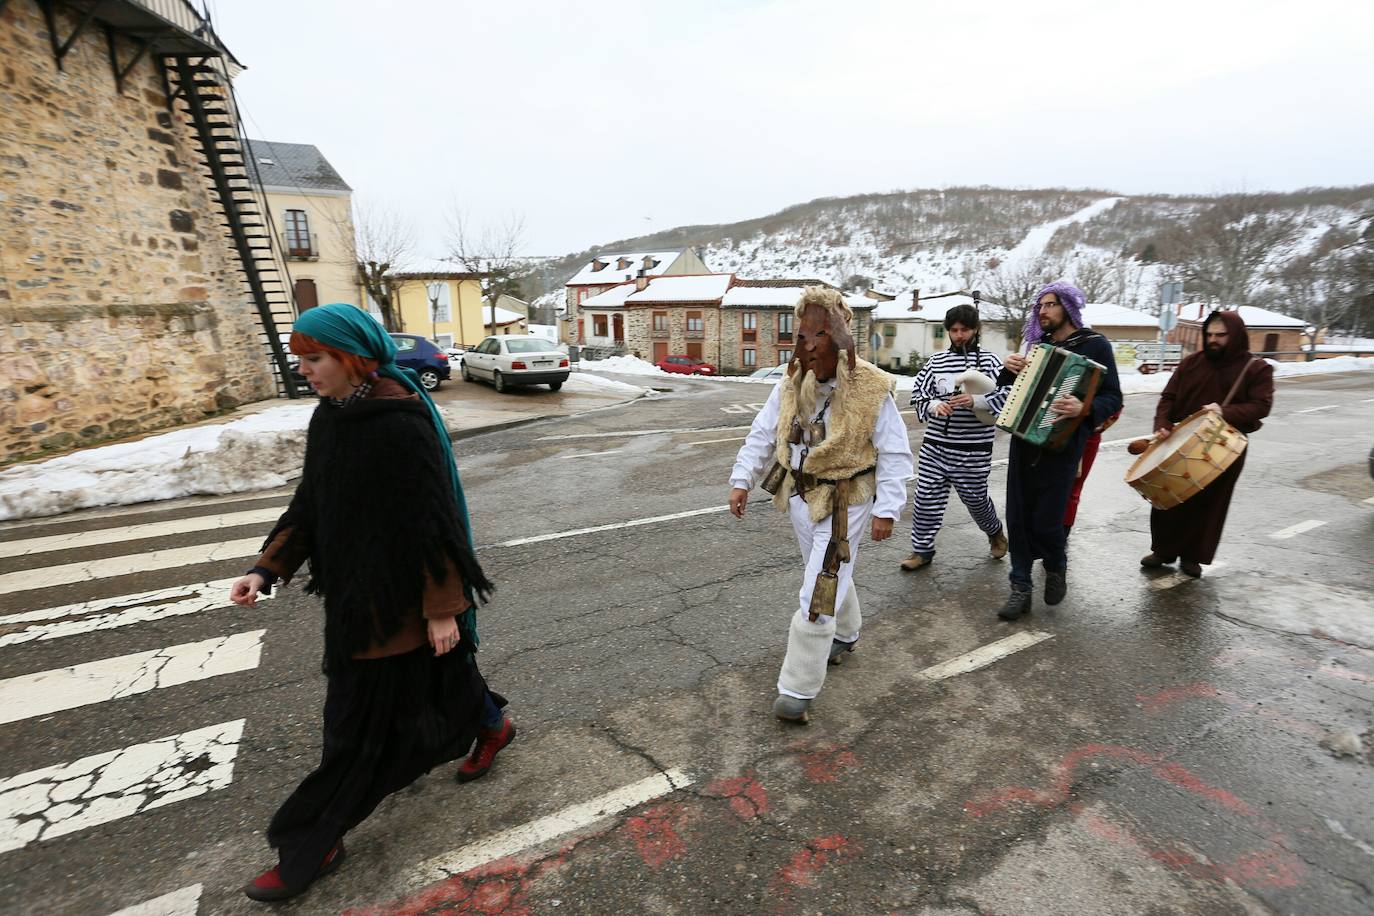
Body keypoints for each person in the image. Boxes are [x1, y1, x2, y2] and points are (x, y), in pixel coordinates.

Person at [228, 303, 513, 903]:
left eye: (314, 358)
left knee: (354, 732)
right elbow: (311, 503)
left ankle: (313, 841)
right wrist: (266, 566)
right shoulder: (331, 416)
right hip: (353, 596)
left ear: (352, 358)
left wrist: (442, 610)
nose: (302, 368)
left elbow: (432, 521)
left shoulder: (396, 421)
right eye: (300, 357)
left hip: (398, 605)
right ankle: (493, 724)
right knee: (447, 678)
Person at [729, 287, 913, 723]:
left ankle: (797, 688)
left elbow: (895, 451)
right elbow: (762, 432)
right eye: (804, 334)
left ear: (842, 334)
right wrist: (741, 479)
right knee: (825, 570)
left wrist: (888, 508)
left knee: (818, 589)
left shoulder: (871, 386)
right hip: (797, 494)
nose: (810, 344)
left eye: (821, 333)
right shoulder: (791, 383)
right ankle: (846, 634)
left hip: (845, 502)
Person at [996, 282, 1122, 620]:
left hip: (1062, 447)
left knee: (1048, 520)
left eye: (1050, 305)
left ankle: (1056, 564)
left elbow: (1114, 397)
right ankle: (1020, 587)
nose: (1043, 311)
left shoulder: (1095, 346)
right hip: (1024, 442)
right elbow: (1009, 388)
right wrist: (1006, 371)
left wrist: (1083, 406)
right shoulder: (1037, 345)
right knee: (1018, 519)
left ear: (1067, 306)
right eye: (1040, 306)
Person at [1142, 309, 1273, 577]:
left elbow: (1261, 405)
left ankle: (1193, 556)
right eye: (1210, 334)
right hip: (1181, 441)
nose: (1213, 340)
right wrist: (1163, 424)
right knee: (1167, 496)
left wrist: (1225, 411)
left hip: (1224, 445)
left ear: (1235, 336)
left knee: (1209, 503)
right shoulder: (1191, 363)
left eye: (1221, 335)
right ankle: (1164, 550)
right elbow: (1168, 397)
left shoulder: (1256, 368)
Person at [901, 304, 1009, 570]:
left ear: (975, 330)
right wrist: (933, 406)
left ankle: (994, 531)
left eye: (965, 329)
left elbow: (1008, 397)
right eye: (954, 330)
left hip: (973, 449)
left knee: (975, 499)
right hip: (935, 446)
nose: (959, 335)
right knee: (926, 498)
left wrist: (977, 401)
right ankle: (922, 550)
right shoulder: (936, 362)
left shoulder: (991, 362)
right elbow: (919, 395)